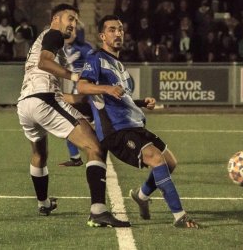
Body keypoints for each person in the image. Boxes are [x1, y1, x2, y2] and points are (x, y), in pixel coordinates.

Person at [77, 15, 200, 229]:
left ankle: (142, 196)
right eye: (112, 30)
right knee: (156, 159)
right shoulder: (95, 58)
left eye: (120, 30)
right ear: (102, 35)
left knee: (170, 163)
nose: (118, 34)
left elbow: (120, 98)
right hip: (116, 130)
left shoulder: (120, 66)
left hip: (133, 125)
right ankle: (180, 216)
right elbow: (82, 86)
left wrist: (142, 102)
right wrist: (106, 88)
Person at [16, 4, 130, 228]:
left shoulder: (43, 43)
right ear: (55, 19)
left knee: (40, 153)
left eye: (76, 21)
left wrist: (87, 103)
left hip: (25, 105)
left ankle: (44, 203)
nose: (73, 24)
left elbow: (50, 82)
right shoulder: (53, 35)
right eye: (70, 18)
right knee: (94, 146)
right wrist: (75, 76)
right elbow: (44, 63)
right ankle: (98, 211)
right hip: (43, 100)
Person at [58, 27, 93, 167]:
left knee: (70, 123)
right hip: (77, 89)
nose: (69, 34)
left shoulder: (85, 48)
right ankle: (75, 157)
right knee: (69, 123)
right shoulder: (65, 48)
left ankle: (81, 156)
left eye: (72, 32)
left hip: (83, 90)